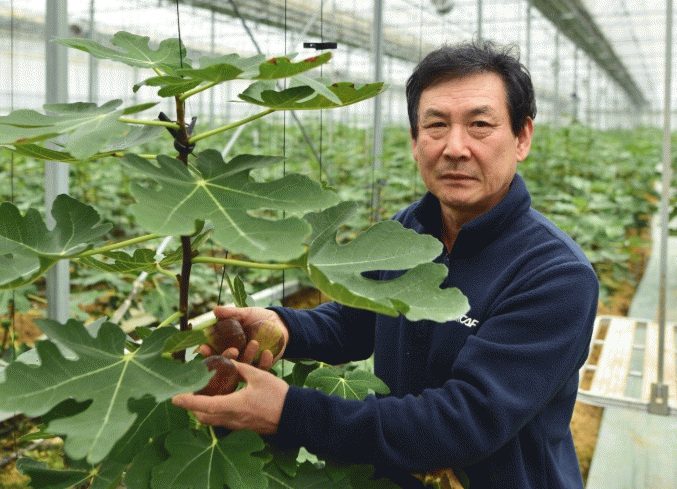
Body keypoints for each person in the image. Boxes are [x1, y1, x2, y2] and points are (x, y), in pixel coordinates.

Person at [172, 39, 599, 488]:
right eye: (436, 125)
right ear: (415, 141)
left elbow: (463, 423)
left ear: (522, 137)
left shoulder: (556, 276)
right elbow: (355, 323)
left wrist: (290, 412)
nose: (455, 147)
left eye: (479, 125)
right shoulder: (407, 231)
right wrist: (283, 326)